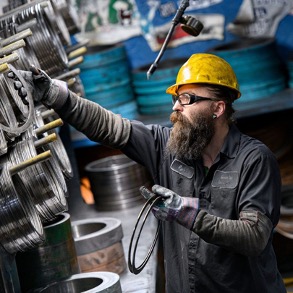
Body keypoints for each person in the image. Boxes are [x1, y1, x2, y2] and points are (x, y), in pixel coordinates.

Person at [15, 53, 286, 292]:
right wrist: (57, 95)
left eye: (187, 98)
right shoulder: (167, 147)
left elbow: (254, 236)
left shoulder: (254, 160)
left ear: (218, 108)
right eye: (175, 98)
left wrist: (187, 214)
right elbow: (110, 126)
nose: (175, 107)